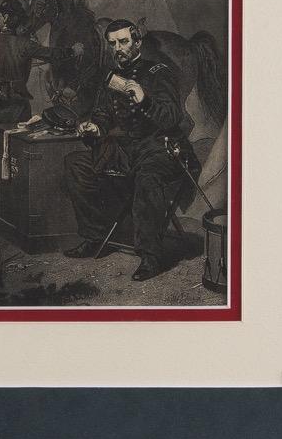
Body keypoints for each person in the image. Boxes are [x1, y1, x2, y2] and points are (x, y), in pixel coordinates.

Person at [61, 18, 200, 280]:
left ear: (137, 42)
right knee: (76, 164)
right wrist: (95, 127)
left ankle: (150, 255)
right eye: (113, 44)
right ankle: (94, 236)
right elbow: (103, 114)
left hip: (159, 148)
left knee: (148, 177)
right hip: (125, 150)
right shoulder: (111, 78)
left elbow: (171, 117)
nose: (118, 49)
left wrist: (144, 100)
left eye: (123, 42)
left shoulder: (159, 72)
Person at [0, 0, 82, 215]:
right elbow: (53, 54)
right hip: (19, 108)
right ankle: (14, 210)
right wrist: (73, 51)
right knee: (18, 157)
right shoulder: (26, 44)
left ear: (6, 18)